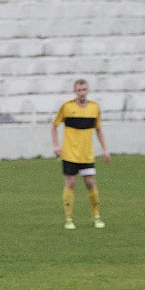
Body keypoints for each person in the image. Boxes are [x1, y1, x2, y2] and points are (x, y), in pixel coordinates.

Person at [51, 79, 110, 230]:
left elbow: (98, 129)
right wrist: (56, 145)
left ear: (88, 90)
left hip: (86, 154)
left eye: (84, 90)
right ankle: (69, 219)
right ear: (75, 91)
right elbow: (54, 125)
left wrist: (105, 150)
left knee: (90, 183)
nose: (82, 93)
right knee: (70, 183)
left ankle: (96, 216)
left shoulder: (94, 107)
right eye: (79, 90)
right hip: (70, 153)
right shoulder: (67, 107)